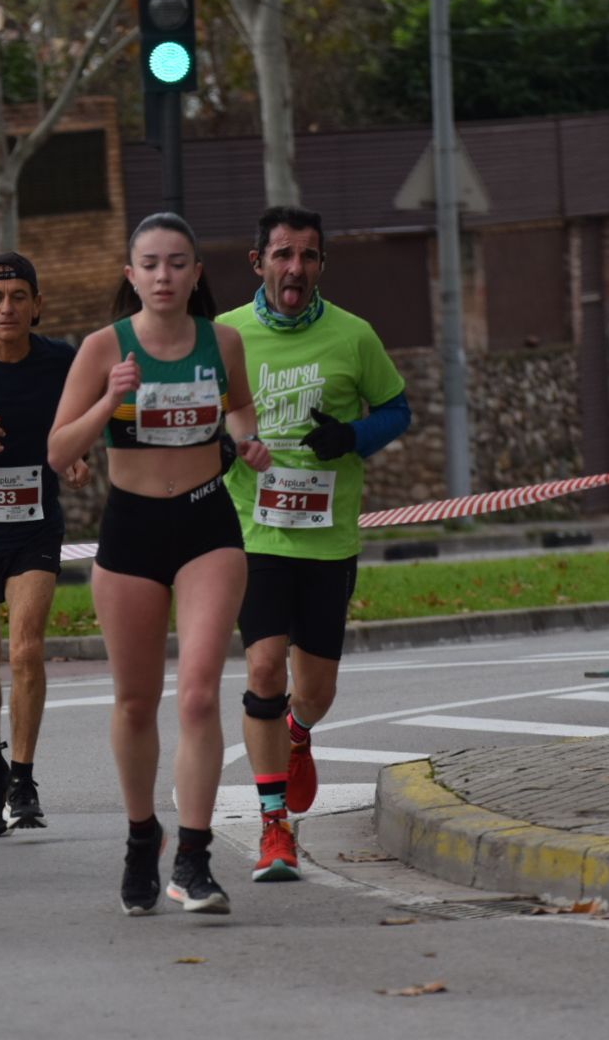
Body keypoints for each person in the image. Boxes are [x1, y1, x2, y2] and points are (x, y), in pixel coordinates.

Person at [48, 212, 270, 916]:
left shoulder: (223, 342)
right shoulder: (102, 349)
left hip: (207, 523)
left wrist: (250, 441)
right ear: (131, 275)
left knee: (200, 693)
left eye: (178, 263)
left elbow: (239, 413)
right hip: (132, 530)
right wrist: (109, 400)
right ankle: (143, 835)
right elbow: (57, 451)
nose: (165, 276)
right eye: (151, 263)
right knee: (136, 701)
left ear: (197, 273)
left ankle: (195, 860)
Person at [217, 205, 410, 883]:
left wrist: (351, 437)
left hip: (328, 537)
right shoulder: (226, 336)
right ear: (258, 263)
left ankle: (298, 735)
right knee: (265, 669)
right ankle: (275, 828)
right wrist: (224, 448)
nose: (294, 268)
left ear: (321, 265)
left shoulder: (354, 337)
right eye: (282, 255)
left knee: (316, 690)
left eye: (307, 256)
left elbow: (396, 408)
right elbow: (197, 418)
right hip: (254, 530)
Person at [0, 252, 88, 838]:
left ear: (37, 305)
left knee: (26, 649)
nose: (8, 308)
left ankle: (24, 779)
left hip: (33, 525)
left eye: (19, 297)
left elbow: (80, 422)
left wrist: (77, 453)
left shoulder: (62, 362)